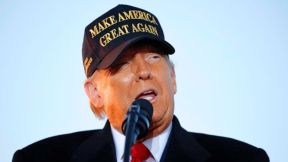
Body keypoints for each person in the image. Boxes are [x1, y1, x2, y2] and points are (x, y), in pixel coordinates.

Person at [13, 4, 269, 162]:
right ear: (94, 93)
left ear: (172, 77)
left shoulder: (244, 159)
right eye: (122, 64)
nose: (144, 71)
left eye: (154, 57)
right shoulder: (39, 158)